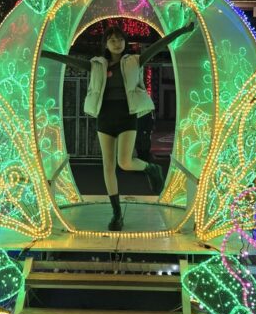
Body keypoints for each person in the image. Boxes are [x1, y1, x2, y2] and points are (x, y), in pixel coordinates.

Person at [41, 22, 194, 231]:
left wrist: (182, 30)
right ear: (105, 44)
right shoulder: (96, 64)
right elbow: (69, 60)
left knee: (125, 162)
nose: (117, 43)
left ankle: (151, 168)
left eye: (120, 39)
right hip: (104, 117)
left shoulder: (134, 61)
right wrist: (44, 53)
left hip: (127, 115)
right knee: (108, 166)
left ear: (125, 42)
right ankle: (116, 213)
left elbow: (160, 44)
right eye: (112, 40)